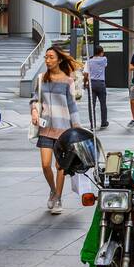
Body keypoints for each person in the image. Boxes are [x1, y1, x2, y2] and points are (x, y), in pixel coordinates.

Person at [30, 46, 80, 213]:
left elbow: (73, 107)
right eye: (46, 57)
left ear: (59, 60)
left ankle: (58, 198)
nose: (47, 60)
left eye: (51, 57)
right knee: (45, 165)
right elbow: (34, 99)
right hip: (45, 129)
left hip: (63, 130)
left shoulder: (68, 81)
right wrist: (35, 111)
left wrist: (77, 130)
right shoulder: (40, 79)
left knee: (60, 167)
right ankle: (53, 190)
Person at [84, 47, 109, 129]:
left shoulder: (88, 61)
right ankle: (104, 122)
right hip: (101, 83)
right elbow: (105, 65)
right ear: (101, 52)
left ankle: (93, 125)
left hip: (91, 83)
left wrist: (85, 83)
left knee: (91, 105)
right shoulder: (104, 59)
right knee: (103, 103)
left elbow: (85, 74)